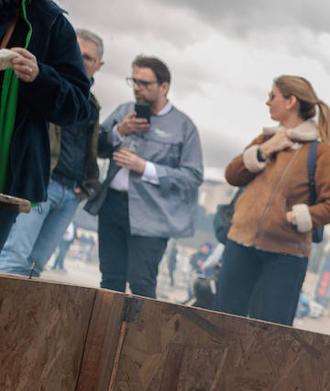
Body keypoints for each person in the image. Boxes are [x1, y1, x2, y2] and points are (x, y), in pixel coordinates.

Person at [215, 76, 330, 326]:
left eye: (272, 96)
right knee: (221, 326)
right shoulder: (264, 140)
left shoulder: (320, 152)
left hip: (285, 257)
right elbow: (232, 175)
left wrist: (303, 215)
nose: (267, 102)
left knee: (269, 340)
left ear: (290, 101)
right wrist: (264, 150)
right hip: (239, 245)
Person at [87, 55, 202, 298]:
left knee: (141, 282)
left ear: (164, 87)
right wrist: (119, 131)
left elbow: (193, 177)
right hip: (112, 205)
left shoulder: (184, 127)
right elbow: (94, 146)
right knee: (110, 279)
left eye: (144, 83)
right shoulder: (123, 111)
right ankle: (106, 334)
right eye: (134, 81)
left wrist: (145, 167)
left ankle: (136, 335)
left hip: (153, 214)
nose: (137, 88)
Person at [0, 25, 99, 275]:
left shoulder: (91, 104)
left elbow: (92, 147)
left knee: (35, 266)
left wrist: (84, 186)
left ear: (99, 64)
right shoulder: (48, 86)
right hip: (45, 182)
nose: (80, 59)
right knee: (14, 258)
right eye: (77, 52)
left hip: (72, 191)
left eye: (87, 57)